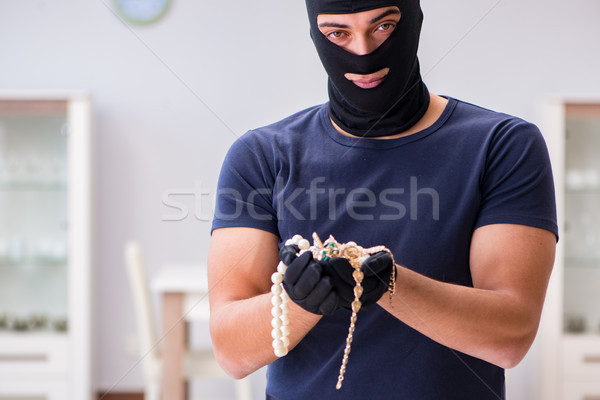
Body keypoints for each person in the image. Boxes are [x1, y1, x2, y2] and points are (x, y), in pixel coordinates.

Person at [207, 0, 558, 398]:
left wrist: (389, 283)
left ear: (414, 22)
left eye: (383, 27)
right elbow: (230, 352)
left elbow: (510, 337)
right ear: (316, 36)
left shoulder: (502, 145)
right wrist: (299, 301)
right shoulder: (262, 156)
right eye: (338, 33)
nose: (362, 52)